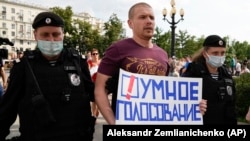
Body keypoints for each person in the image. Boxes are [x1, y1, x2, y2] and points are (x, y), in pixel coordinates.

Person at [94, 2, 207, 125]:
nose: (149, 21)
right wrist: (113, 122)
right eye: (142, 17)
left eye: (152, 17)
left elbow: (164, 97)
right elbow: (100, 90)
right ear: (130, 23)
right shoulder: (118, 49)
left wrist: (192, 106)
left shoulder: (163, 54)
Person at [0, 12, 95, 141]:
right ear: (35, 35)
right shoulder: (23, 67)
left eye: (56, 34)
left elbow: (94, 93)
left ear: (63, 34)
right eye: (45, 35)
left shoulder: (77, 62)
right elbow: (7, 109)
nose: (51, 40)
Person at [182, 35, 237, 125]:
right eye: (215, 53)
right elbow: (180, 104)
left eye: (222, 53)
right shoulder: (192, 74)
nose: (219, 56)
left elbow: (232, 107)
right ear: (204, 54)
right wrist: (193, 107)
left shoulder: (227, 76)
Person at [88, 48, 101, 119]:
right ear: (91, 55)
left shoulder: (101, 63)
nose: (95, 55)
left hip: (101, 85)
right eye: (93, 54)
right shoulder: (89, 63)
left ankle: (96, 111)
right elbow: (88, 73)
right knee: (94, 101)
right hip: (93, 84)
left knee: (99, 101)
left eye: (96, 54)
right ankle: (94, 115)